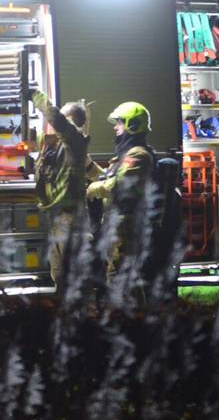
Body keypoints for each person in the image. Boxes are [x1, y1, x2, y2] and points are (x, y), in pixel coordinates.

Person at [31, 90, 101, 294]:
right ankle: (66, 318)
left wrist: (37, 97)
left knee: (76, 278)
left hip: (71, 221)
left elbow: (58, 121)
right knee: (60, 275)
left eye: (62, 118)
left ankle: (83, 319)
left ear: (70, 122)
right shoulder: (64, 148)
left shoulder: (75, 142)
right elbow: (91, 170)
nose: (55, 125)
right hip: (57, 219)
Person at [86, 101, 155, 281]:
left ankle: (136, 310)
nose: (116, 127)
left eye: (119, 122)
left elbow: (118, 184)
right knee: (117, 278)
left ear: (131, 125)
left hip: (128, 229)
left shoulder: (138, 155)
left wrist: (92, 189)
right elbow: (107, 178)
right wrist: (88, 166)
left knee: (122, 280)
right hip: (117, 227)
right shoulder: (126, 154)